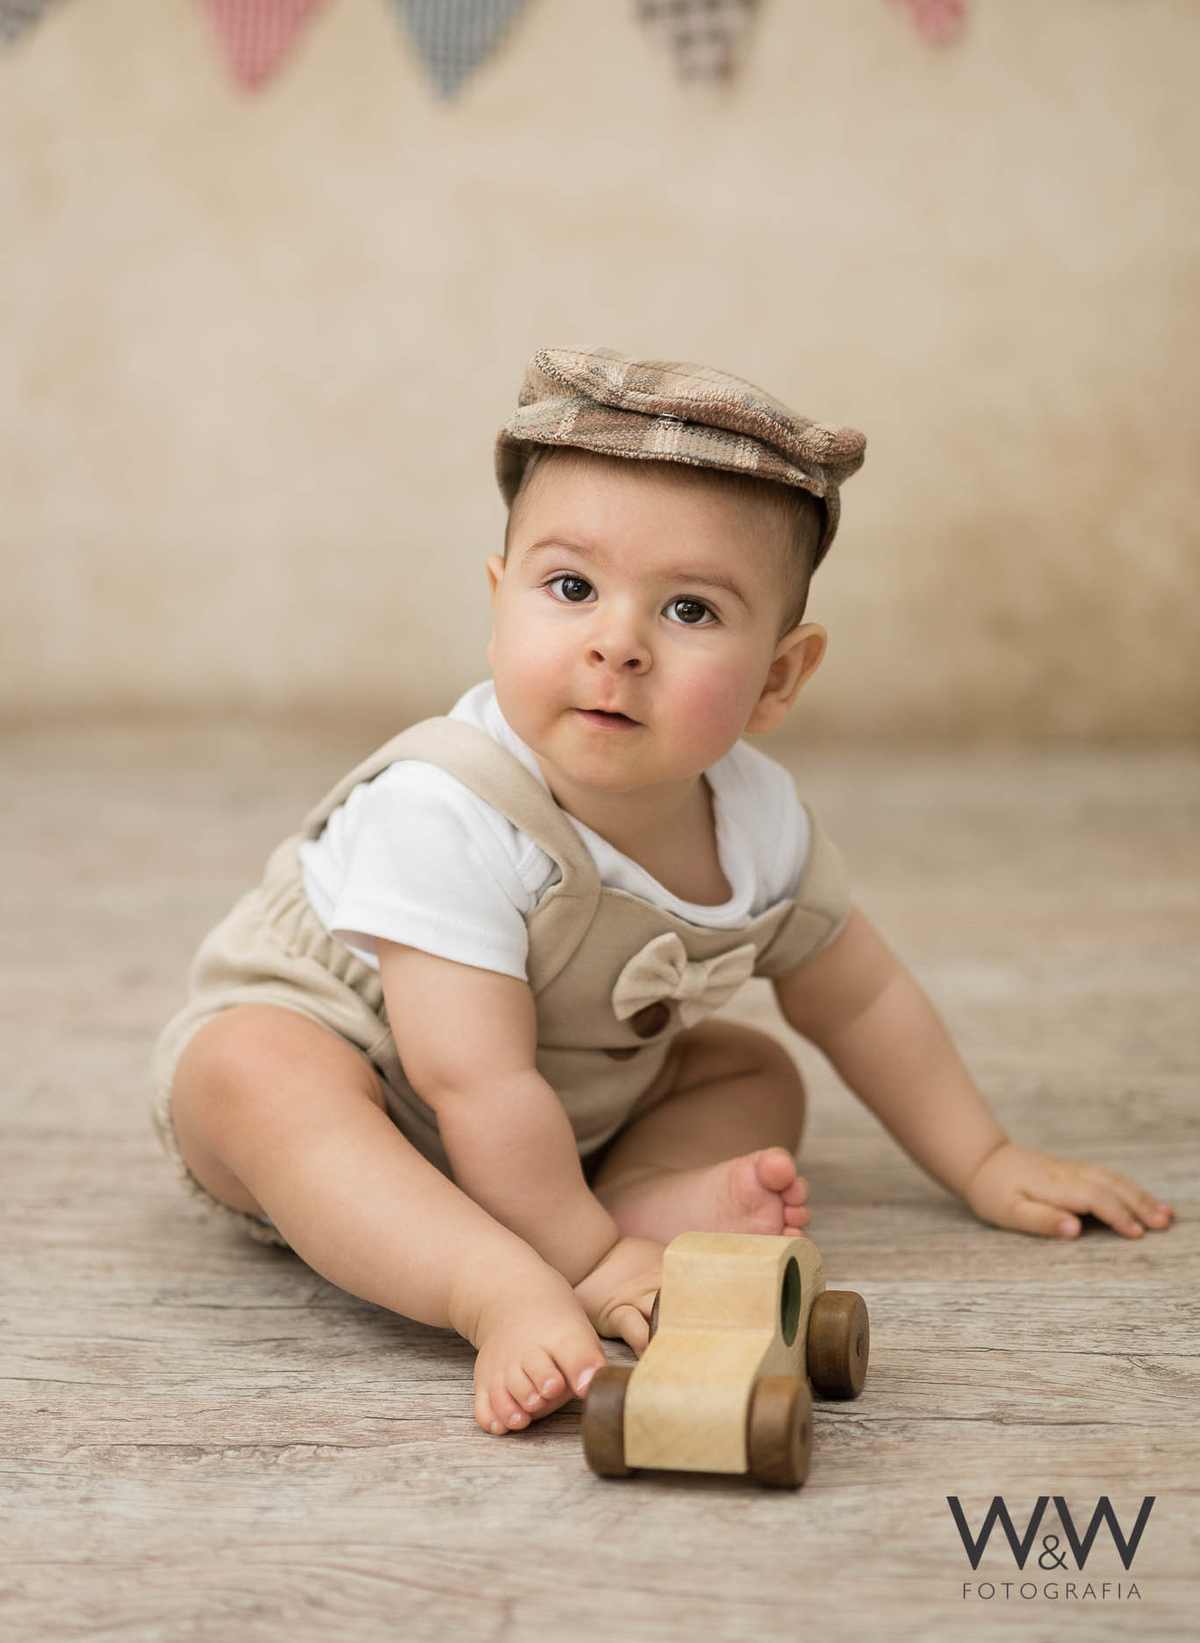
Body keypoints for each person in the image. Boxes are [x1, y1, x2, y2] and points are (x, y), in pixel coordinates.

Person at [151, 347, 1174, 1438]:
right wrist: (582, 1266)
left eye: (689, 610)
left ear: (779, 677)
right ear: (500, 610)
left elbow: (863, 1000)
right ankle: (491, 1281)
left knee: (752, 1064)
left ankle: (637, 1198)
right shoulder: (447, 809)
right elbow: (476, 1083)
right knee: (251, 1068)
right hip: (381, 1094)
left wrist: (981, 1156)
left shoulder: (757, 818)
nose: (617, 644)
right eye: (571, 588)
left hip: (556, 1120)